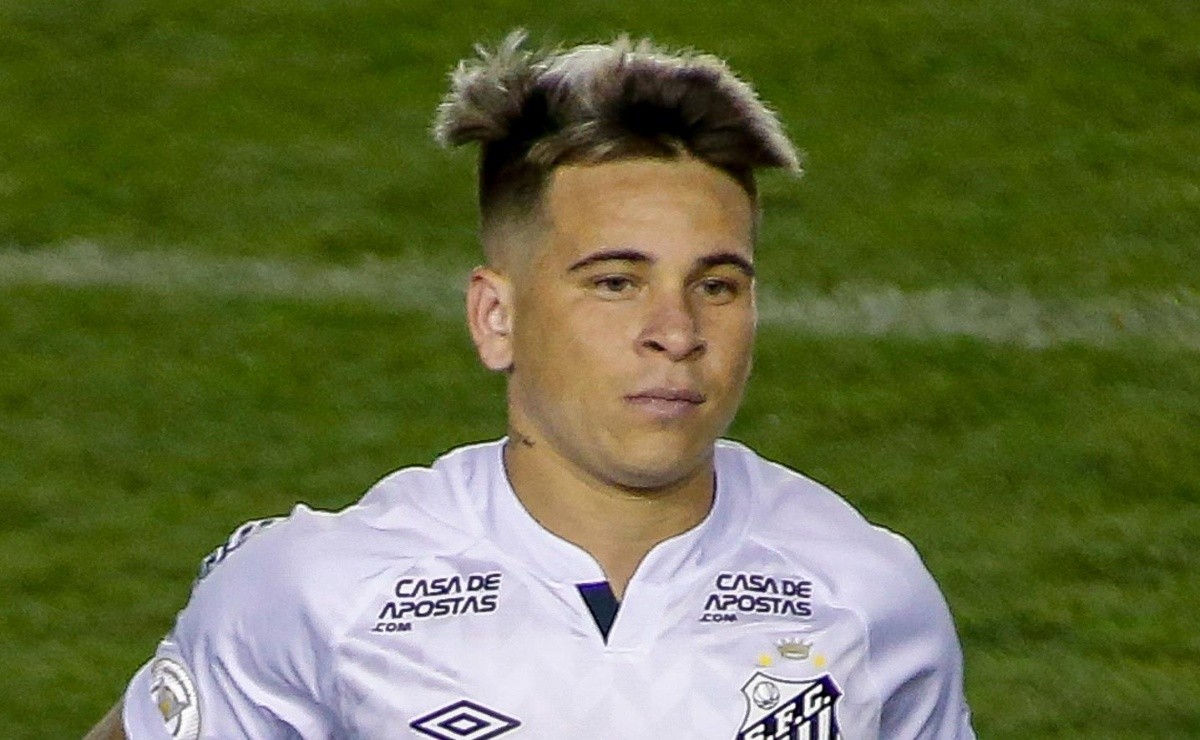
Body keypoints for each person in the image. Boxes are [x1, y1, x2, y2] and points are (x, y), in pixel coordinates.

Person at [87, 31, 974, 739]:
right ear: (496, 317)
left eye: (717, 285)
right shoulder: (318, 592)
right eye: (615, 283)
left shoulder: (866, 597)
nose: (676, 333)